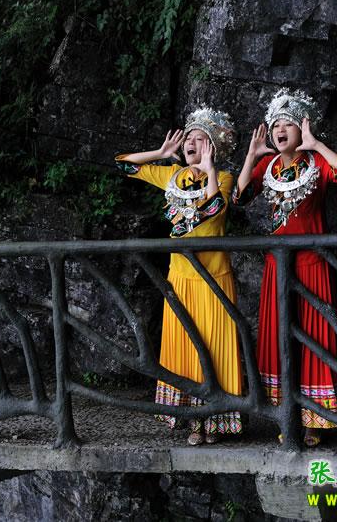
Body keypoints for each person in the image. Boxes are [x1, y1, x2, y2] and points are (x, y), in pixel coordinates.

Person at [233, 89, 337, 447]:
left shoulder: (316, 163)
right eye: (275, 125)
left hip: (312, 263)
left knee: (314, 336)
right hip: (279, 264)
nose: (280, 130)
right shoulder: (268, 166)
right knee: (280, 336)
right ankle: (286, 414)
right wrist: (251, 155)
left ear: (302, 128)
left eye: (288, 124)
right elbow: (239, 197)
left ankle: (314, 420)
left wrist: (316, 145)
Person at [114, 107, 242, 446]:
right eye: (189, 138)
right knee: (188, 347)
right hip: (181, 277)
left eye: (200, 139)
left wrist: (210, 169)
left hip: (214, 276)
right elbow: (124, 164)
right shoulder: (173, 176)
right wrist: (160, 152)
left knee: (214, 347)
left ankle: (215, 420)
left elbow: (213, 208)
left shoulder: (224, 178)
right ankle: (193, 420)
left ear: (213, 146)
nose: (191, 143)